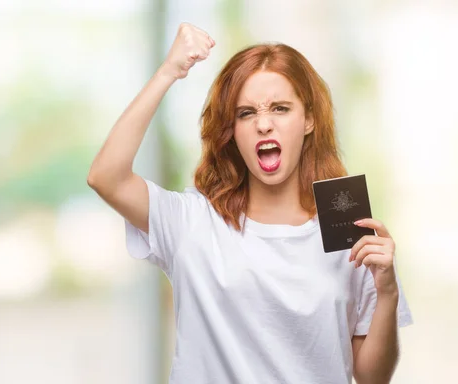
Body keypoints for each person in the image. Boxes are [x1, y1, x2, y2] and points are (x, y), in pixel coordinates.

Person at [87, 22, 413, 384]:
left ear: (308, 120)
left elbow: (372, 379)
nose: (263, 125)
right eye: (246, 113)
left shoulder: (349, 230)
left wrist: (387, 293)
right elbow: (106, 177)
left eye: (280, 108)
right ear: (232, 131)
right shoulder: (193, 222)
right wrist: (169, 72)